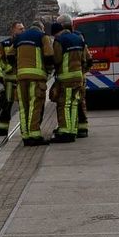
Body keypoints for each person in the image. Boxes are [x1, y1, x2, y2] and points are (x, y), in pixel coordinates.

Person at [10, 20, 54, 145]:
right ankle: (34, 135)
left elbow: (9, 55)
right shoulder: (42, 37)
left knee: (23, 107)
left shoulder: (19, 37)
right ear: (41, 28)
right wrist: (49, 71)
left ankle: (25, 135)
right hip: (36, 77)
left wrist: (17, 68)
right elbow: (49, 55)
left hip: (21, 77)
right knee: (35, 106)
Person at [52, 15, 91, 143]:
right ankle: (73, 130)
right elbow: (86, 59)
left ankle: (65, 131)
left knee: (64, 104)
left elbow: (57, 59)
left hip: (66, 78)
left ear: (61, 26)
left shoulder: (59, 40)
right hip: (79, 77)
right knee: (74, 104)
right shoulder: (79, 39)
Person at [0, 22, 25, 136]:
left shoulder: (25, 42)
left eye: (23, 28)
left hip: (21, 79)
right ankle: (3, 129)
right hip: (9, 81)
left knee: (23, 105)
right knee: (6, 105)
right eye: (20, 29)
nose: (23, 30)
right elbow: (0, 60)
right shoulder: (5, 44)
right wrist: (7, 68)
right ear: (13, 30)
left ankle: (25, 129)